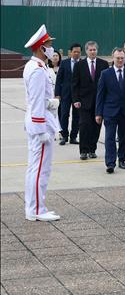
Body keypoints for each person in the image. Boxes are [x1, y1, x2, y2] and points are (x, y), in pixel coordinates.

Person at [23, 25, 61, 221]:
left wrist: (50, 102)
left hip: (39, 121)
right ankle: (37, 209)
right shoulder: (37, 70)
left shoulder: (37, 66)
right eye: (49, 44)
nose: (52, 48)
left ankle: (34, 206)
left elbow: (38, 99)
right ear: (41, 47)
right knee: (40, 169)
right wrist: (41, 130)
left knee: (35, 167)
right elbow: (37, 101)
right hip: (41, 125)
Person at [95, 48, 125, 174]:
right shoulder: (105, 74)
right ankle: (110, 163)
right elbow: (100, 95)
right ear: (112, 59)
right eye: (117, 58)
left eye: (122, 58)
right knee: (109, 138)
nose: (120, 60)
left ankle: (122, 159)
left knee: (123, 137)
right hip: (109, 112)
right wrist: (98, 113)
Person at [72, 41, 109, 160]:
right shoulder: (79, 65)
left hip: (99, 102)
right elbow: (74, 84)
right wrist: (76, 99)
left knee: (96, 126)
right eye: (90, 50)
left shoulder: (103, 64)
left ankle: (92, 149)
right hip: (83, 101)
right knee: (84, 125)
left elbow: (107, 84)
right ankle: (83, 150)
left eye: (94, 50)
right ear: (86, 51)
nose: (93, 52)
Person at [55, 43, 81, 146]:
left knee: (77, 116)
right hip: (65, 94)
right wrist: (57, 94)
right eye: (74, 52)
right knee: (64, 114)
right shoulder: (64, 63)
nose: (76, 54)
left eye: (78, 52)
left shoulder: (82, 64)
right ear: (70, 52)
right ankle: (64, 136)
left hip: (78, 95)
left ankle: (73, 136)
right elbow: (59, 79)